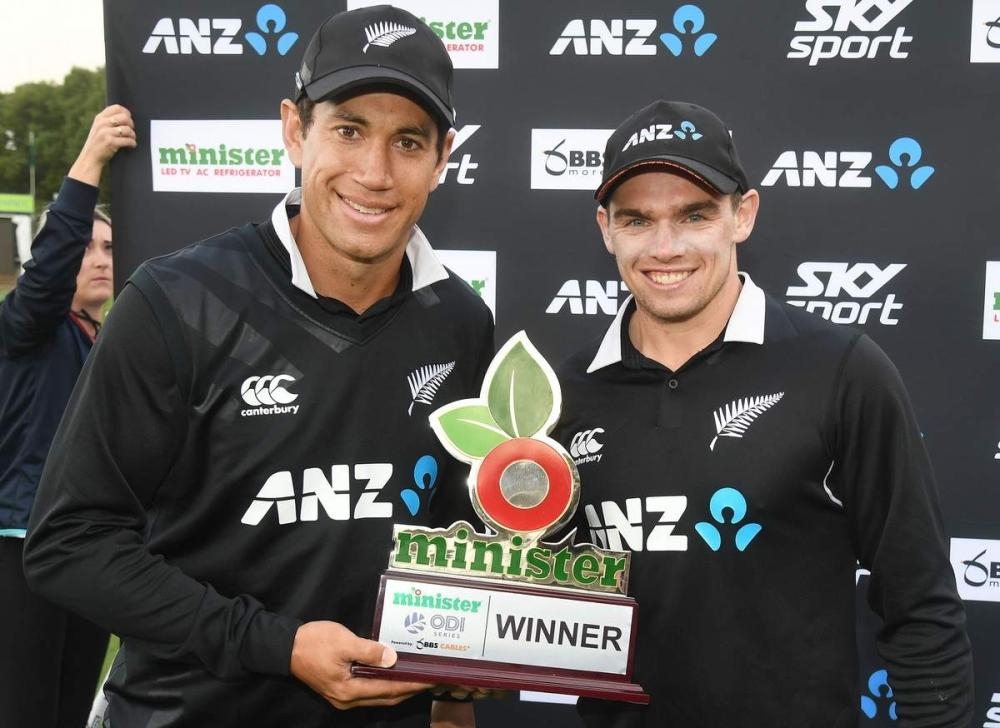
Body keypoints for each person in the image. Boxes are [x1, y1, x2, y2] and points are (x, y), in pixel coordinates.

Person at [23, 6, 493, 728]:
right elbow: (69, 544)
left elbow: (452, 532)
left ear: (443, 158)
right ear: (295, 130)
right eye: (348, 130)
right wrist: (276, 645)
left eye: (407, 141)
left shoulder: (459, 321)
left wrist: (461, 683)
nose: (374, 172)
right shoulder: (175, 301)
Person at [553, 100, 973, 726]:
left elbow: (922, 607)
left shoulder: (842, 372)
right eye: (637, 220)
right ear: (605, 229)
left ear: (741, 215)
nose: (665, 247)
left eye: (694, 215)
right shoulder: (562, 394)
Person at [0, 104, 132, 728]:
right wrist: (90, 163)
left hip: (84, 552)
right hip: (20, 548)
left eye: (109, 247)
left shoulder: (101, 340)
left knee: (70, 708)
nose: (100, 257)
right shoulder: (27, 328)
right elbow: (46, 276)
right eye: (86, 246)